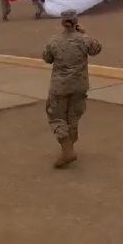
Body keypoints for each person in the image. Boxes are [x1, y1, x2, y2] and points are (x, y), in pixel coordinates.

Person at [42, 10, 102, 168]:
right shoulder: (83, 40)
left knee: (56, 117)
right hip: (79, 86)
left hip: (59, 87)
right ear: (76, 22)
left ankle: (67, 150)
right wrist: (85, 33)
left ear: (62, 22)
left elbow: (47, 58)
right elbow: (96, 49)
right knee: (73, 118)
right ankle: (68, 149)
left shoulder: (54, 41)